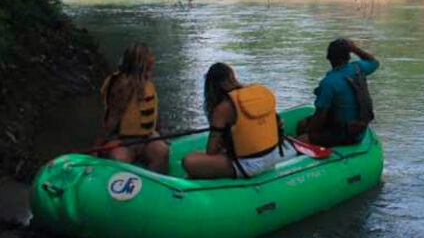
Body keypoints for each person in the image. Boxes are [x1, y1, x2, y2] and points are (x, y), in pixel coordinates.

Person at [183, 63, 285, 179]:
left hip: (249, 165)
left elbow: (211, 151)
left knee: (189, 161)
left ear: (214, 86)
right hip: (273, 156)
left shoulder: (222, 108)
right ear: (232, 76)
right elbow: (279, 123)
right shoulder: (260, 93)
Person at [99, 43, 169, 173]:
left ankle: (154, 187)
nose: (153, 59)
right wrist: (99, 144)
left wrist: (160, 135)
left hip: (146, 138)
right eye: (150, 56)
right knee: (120, 161)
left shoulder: (147, 81)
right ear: (140, 62)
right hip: (121, 140)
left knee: (162, 152)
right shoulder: (122, 84)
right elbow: (113, 116)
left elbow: (154, 114)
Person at [297, 39, 379, 147]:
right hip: (358, 127)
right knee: (303, 123)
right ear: (348, 57)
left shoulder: (329, 83)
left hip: (344, 132)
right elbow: (374, 62)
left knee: (302, 139)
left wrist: (307, 134)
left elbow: (320, 118)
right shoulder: (358, 68)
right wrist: (355, 49)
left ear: (328, 57)